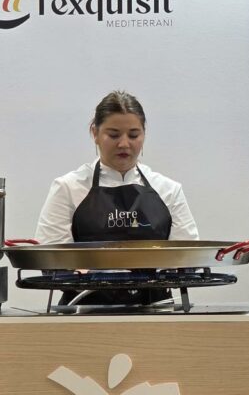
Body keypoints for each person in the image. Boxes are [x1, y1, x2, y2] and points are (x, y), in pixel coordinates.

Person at [34, 90, 198, 304]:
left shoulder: (169, 189)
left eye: (133, 135)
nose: (124, 144)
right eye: (113, 135)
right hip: (82, 312)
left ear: (144, 134)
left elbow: (187, 257)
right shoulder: (67, 188)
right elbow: (50, 257)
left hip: (156, 312)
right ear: (95, 132)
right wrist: (74, 272)